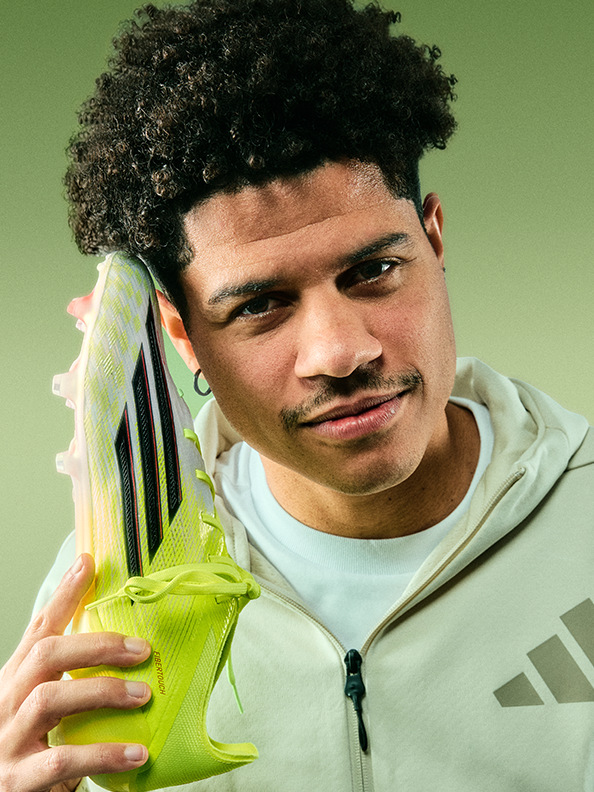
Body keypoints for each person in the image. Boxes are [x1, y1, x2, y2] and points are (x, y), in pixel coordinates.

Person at [1, 1, 592, 790]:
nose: (341, 353)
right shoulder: (108, 590)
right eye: (258, 306)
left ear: (435, 239)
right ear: (182, 336)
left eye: (374, 271)